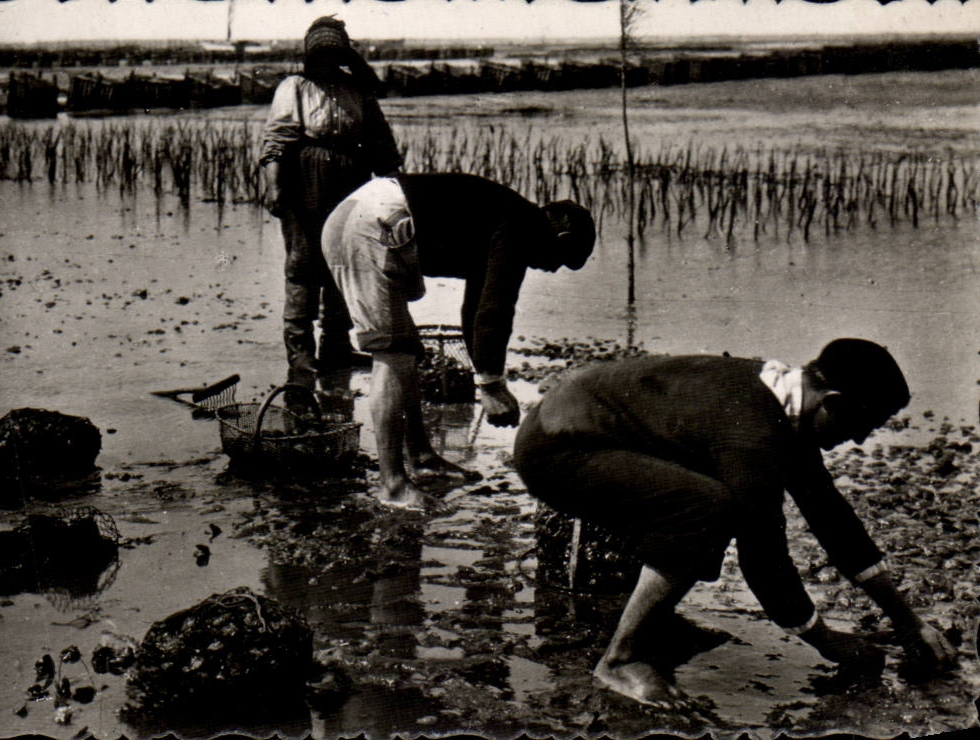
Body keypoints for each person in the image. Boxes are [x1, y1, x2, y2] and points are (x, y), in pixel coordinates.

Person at [512, 339, 955, 708]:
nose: (858, 440)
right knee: (709, 506)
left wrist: (906, 620)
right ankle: (620, 659)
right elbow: (763, 559)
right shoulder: (754, 430)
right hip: (556, 448)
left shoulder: (784, 399)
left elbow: (832, 518)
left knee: (710, 499)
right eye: (863, 425)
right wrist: (825, 641)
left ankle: (654, 625)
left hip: (587, 426)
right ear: (833, 403)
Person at [322, 173, 596, 510]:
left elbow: (477, 309)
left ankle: (422, 458)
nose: (552, 269)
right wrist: (492, 386)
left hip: (364, 216)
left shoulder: (506, 219)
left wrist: (488, 377)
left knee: (405, 350)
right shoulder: (522, 225)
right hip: (372, 226)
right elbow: (497, 308)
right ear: (560, 236)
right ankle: (392, 485)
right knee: (391, 354)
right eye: (561, 259)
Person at [259, 16, 404, 389]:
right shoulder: (294, 87)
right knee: (303, 266)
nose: (326, 61)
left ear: (342, 56)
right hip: (304, 180)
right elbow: (276, 141)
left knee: (345, 263)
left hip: (350, 182)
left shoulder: (356, 91)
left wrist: (394, 186)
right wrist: (274, 187)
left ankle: (337, 348)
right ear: (310, 57)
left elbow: (381, 144)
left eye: (333, 54)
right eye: (319, 55)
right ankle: (301, 359)